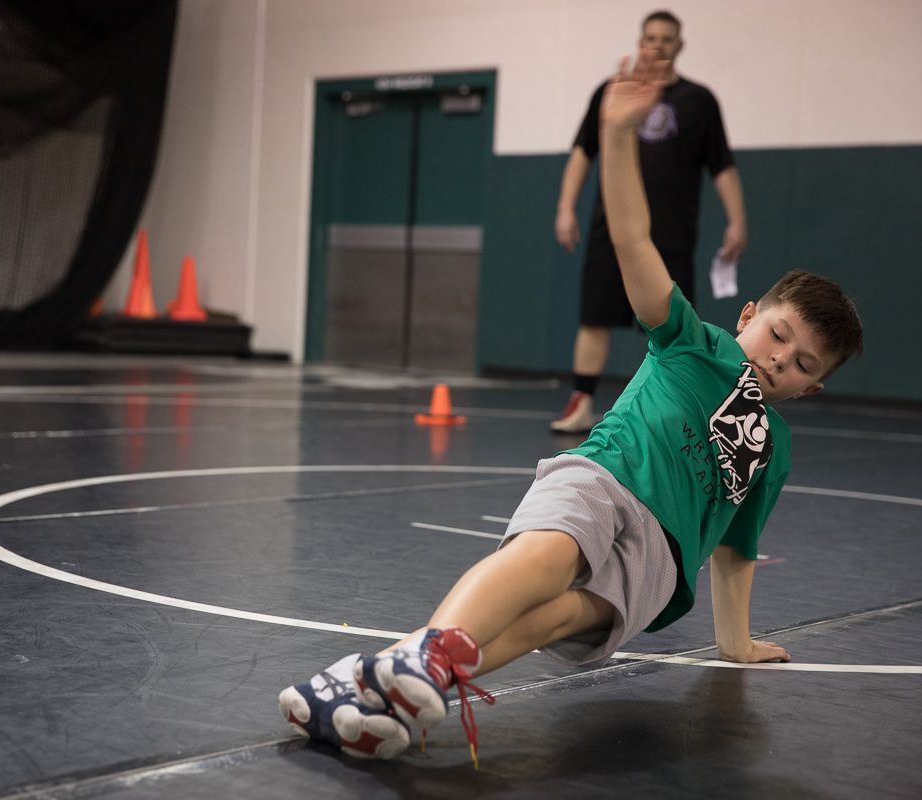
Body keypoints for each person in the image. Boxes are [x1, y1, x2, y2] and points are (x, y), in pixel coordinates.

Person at [278, 48, 864, 764]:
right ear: (747, 314)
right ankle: (419, 662)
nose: (780, 360)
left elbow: (737, 550)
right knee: (548, 557)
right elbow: (631, 237)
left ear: (814, 387)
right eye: (778, 334)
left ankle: (365, 693)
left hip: (662, 566)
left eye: (803, 364)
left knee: (548, 620)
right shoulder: (692, 343)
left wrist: (735, 643)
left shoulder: (774, 445)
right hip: (606, 480)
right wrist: (618, 137)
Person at [552, 9, 748, 433]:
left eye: (666, 38)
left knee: (672, 324)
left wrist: (737, 220)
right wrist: (566, 207)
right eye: (651, 37)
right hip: (612, 230)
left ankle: (671, 411)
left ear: (680, 46)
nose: (657, 45)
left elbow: (723, 165)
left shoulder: (700, 100)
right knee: (595, 316)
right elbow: (583, 152)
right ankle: (580, 401)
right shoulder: (611, 91)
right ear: (640, 42)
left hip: (672, 233)